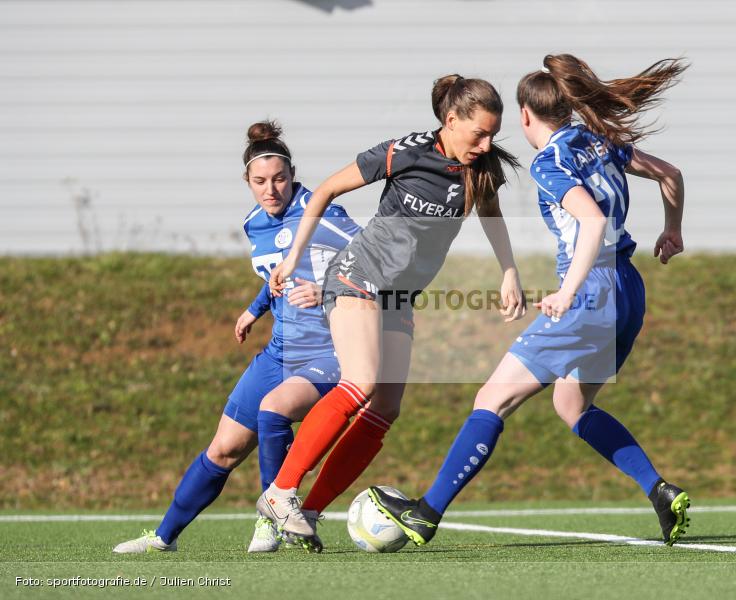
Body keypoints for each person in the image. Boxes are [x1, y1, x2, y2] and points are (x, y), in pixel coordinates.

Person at [370, 53, 691, 546]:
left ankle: (426, 513)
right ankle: (659, 490)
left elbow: (592, 221)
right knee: (572, 405)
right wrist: (672, 230)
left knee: (491, 399)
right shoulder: (599, 141)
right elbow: (670, 174)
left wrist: (566, 291)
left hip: (591, 291)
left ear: (524, 116)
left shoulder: (550, 161)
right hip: (629, 291)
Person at [255, 75, 526, 552]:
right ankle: (280, 493)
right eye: (477, 133)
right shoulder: (406, 151)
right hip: (358, 274)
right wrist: (294, 259)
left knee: (386, 407)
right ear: (450, 120)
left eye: (492, 135)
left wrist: (509, 272)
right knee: (359, 383)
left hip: (399, 295)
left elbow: (491, 215)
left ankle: (311, 511)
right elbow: (324, 192)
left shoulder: (480, 170)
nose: (485, 145)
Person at [113, 121, 360, 554]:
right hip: (279, 351)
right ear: (247, 181)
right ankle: (163, 537)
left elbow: (377, 258)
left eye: (280, 179)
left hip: (329, 350)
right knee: (224, 449)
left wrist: (328, 290)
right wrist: (255, 308)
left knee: (272, 411)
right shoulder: (254, 224)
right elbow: (278, 274)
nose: (271, 189)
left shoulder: (321, 213)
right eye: (260, 181)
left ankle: (271, 516)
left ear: (293, 175)